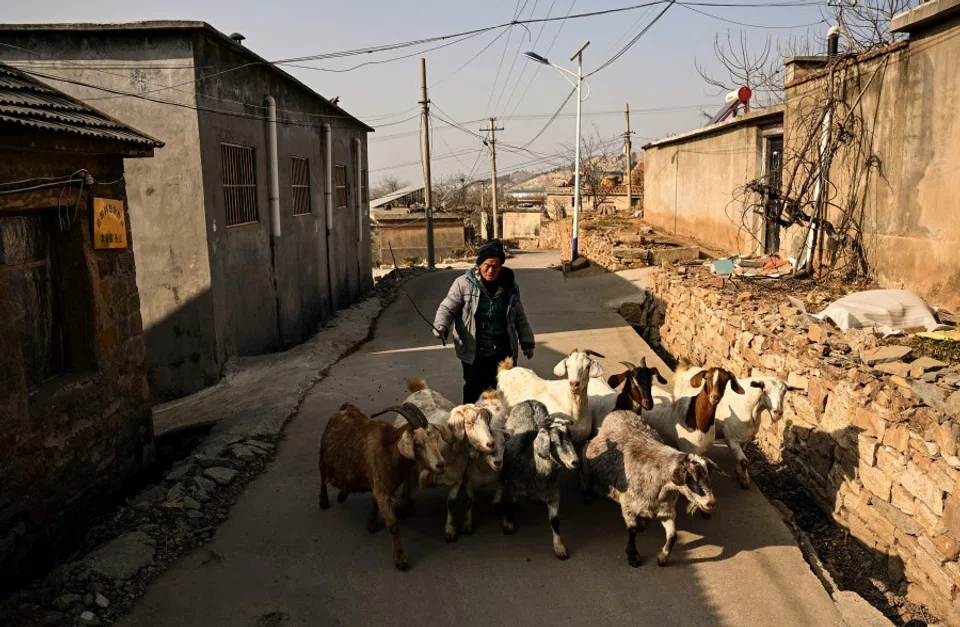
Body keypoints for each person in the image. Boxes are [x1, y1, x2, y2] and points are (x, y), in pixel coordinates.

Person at [433, 240, 535, 403]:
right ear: (479, 264)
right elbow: (447, 308)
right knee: (474, 394)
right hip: (475, 353)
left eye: (496, 266)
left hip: (503, 353)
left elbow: (519, 316)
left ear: (501, 265)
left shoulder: (510, 286)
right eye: (487, 265)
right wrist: (441, 325)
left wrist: (527, 341)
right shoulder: (463, 284)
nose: (491, 270)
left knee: (504, 396)